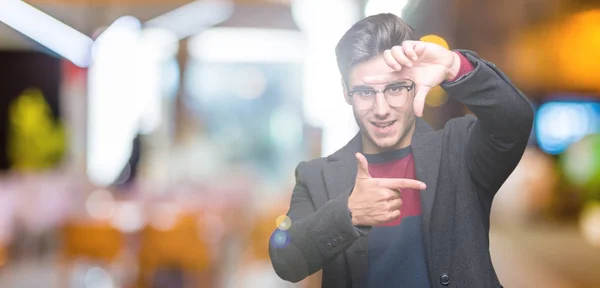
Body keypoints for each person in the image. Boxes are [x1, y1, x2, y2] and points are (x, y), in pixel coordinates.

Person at [269, 13, 533, 288]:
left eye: (395, 88)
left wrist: (455, 65)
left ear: (414, 85)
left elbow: (515, 119)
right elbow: (285, 257)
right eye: (365, 92)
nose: (381, 109)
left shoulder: (460, 151)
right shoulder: (316, 176)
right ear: (346, 92)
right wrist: (348, 214)